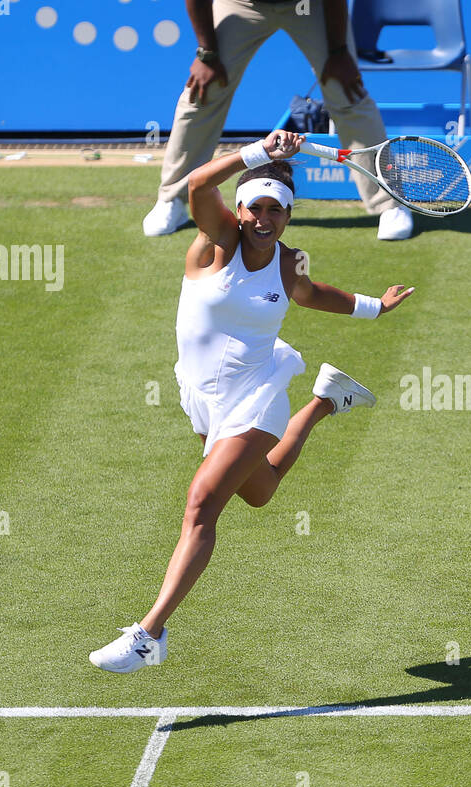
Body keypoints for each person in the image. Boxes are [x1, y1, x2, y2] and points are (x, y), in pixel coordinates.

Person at [92, 129, 415, 673]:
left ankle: (150, 634)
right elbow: (195, 184)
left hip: (257, 394)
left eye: (277, 211)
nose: (265, 220)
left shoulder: (290, 263)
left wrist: (372, 307)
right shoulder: (216, 241)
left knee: (201, 504)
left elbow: (312, 295)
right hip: (200, 395)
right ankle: (325, 402)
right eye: (256, 208)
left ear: (289, 215)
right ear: (239, 211)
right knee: (258, 492)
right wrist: (259, 152)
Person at [143, 0, 414, 241]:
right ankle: (172, 199)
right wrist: (207, 55)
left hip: (308, 4)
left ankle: (389, 204)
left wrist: (338, 52)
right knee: (202, 92)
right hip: (242, 3)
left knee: (346, 90)